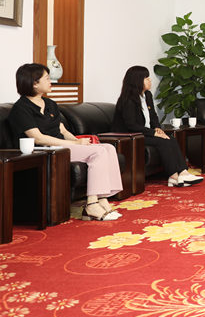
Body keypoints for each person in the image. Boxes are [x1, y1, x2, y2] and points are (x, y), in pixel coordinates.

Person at [8, 63, 123, 221]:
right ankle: (91, 204)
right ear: (34, 83)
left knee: (108, 148)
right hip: (43, 149)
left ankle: (102, 199)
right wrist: (75, 145)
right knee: (98, 152)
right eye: (47, 78)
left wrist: (78, 141)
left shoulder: (50, 104)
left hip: (62, 146)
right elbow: (38, 138)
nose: (50, 82)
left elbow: (62, 130)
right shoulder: (21, 108)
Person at [112, 66, 203, 188]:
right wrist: (153, 133)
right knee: (163, 141)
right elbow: (131, 125)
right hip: (131, 136)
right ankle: (173, 176)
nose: (150, 80)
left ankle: (183, 172)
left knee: (171, 139)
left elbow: (153, 116)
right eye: (146, 78)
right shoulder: (128, 100)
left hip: (144, 133)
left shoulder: (147, 95)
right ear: (137, 80)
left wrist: (157, 128)